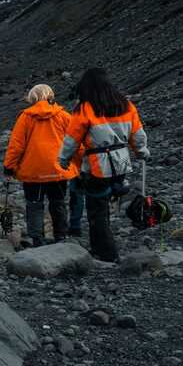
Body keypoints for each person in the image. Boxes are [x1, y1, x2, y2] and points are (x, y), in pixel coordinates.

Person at [58, 69, 149, 262]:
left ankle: (105, 252)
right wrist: (141, 152)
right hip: (122, 162)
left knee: (96, 209)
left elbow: (71, 139)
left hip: (98, 166)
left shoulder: (85, 108)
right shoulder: (125, 105)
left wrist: (63, 160)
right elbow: (137, 133)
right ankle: (105, 244)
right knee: (105, 203)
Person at [4, 84, 77, 246]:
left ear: (32, 97)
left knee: (34, 204)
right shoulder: (64, 116)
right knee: (58, 202)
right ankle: (61, 236)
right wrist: (79, 163)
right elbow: (74, 141)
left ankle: (36, 238)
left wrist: (9, 167)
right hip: (58, 168)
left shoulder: (25, 117)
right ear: (50, 95)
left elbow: (16, 145)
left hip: (33, 171)